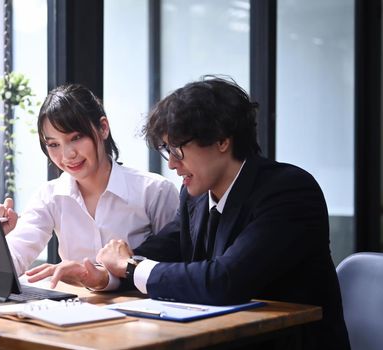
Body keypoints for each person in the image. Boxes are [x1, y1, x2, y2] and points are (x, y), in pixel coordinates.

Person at [37, 76, 350, 349]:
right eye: (167, 151)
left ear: (221, 141)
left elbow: (225, 280)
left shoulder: (288, 191)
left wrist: (129, 267)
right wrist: (103, 274)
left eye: (177, 150)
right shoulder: (195, 196)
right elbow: (160, 252)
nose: (172, 164)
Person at [0, 83, 179, 278]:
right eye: (54, 144)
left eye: (76, 138)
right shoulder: (49, 196)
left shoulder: (155, 191)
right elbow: (17, 254)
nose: (67, 155)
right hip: (72, 308)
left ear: (103, 128)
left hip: (138, 308)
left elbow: (173, 267)